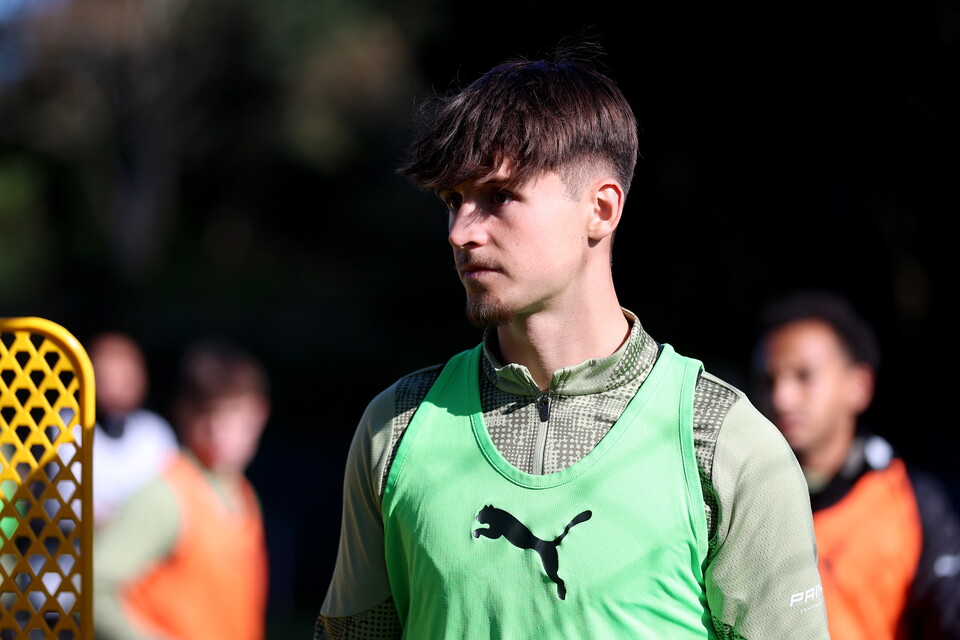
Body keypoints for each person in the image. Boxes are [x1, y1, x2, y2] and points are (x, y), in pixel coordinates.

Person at [315, 44, 828, 639]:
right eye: (453, 201)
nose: (460, 231)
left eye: (499, 195)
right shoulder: (396, 427)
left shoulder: (724, 442)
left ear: (601, 210)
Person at [751, 289, 960, 640]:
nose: (781, 397)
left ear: (858, 386)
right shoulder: (737, 501)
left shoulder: (909, 500)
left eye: (803, 376)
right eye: (768, 381)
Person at [93, 337, 271, 640]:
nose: (218, 429)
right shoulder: (165, 496)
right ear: (183, 413)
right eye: (205, 412)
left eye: (233, 412)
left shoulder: (244, 495)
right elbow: (95, 589)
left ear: (259, 412)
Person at [87, 331, 179, 527]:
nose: (114, 388)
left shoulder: (155, 433)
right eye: (105, 378)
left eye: (125, 378)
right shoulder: (64, 430)